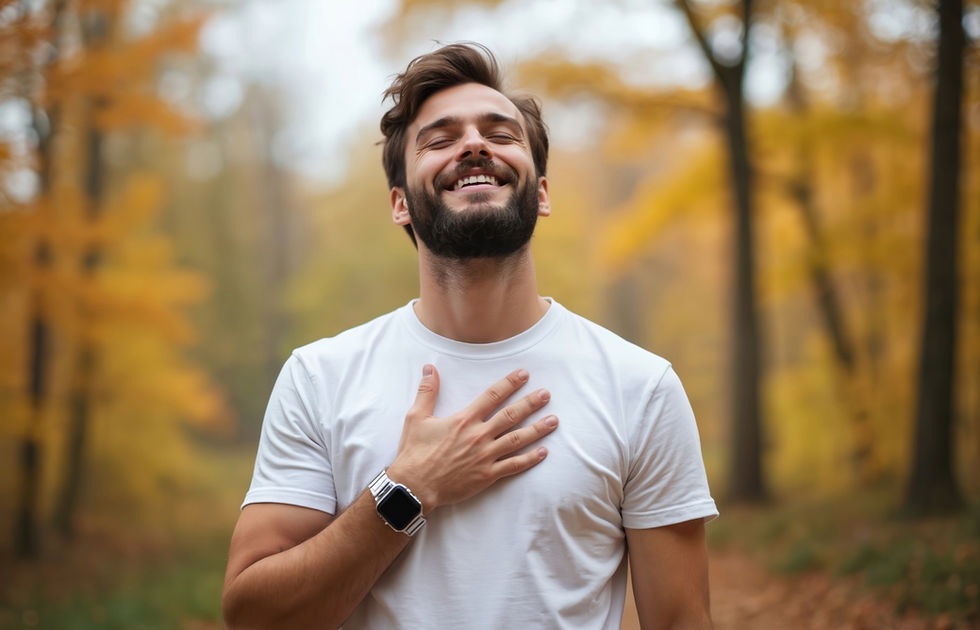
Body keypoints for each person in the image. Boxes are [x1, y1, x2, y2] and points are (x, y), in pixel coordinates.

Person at [222, 42, 718, 630]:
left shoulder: (642, 386)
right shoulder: (319, 377)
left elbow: (682, 620)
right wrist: (407, 489)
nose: (475, 144)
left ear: (541, 193)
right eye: (439, 139)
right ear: (401, 203)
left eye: (501, 134)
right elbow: (253, 614)